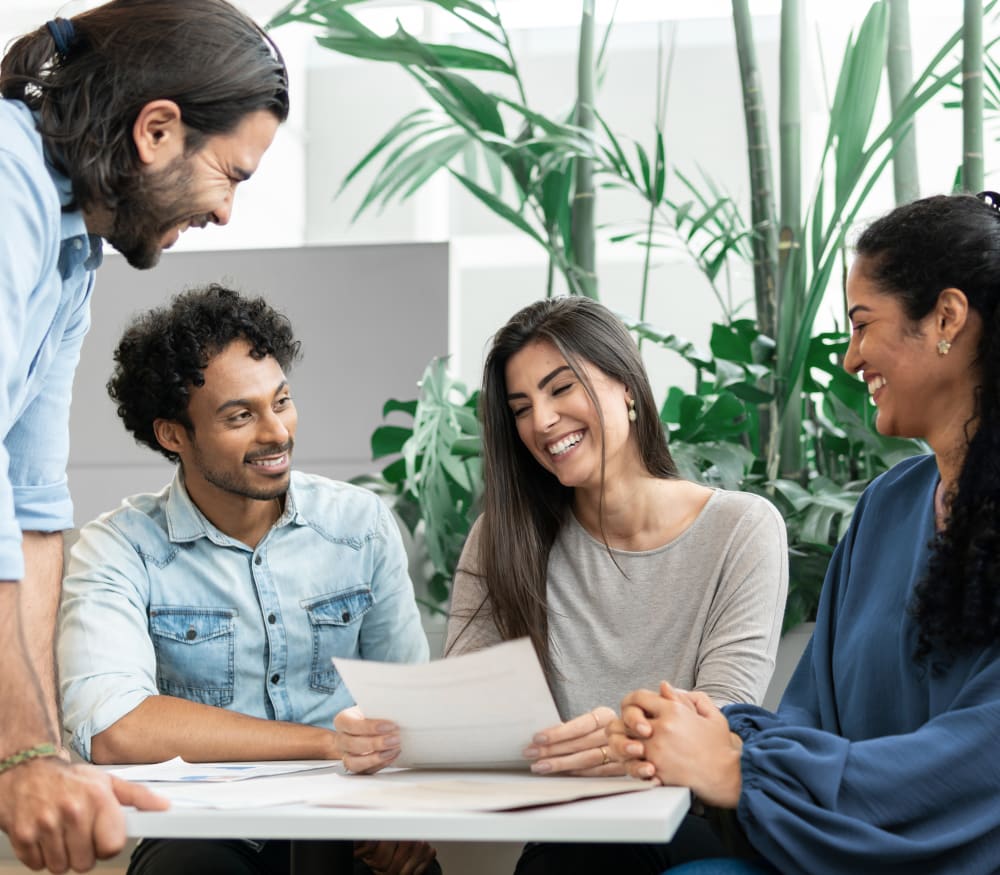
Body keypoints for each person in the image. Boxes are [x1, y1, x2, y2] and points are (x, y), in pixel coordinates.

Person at [611, 192, 1000, 875]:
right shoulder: (886, 506)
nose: (850, 359)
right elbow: (810, 713)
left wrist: (743, 768)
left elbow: (977, 759)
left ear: (946, 318)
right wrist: (703, 727)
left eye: (861, 324)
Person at [339, 296, 788, 873]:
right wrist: (385, 733)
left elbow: (723, 720)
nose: (542, 422)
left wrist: (624, 743)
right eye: (521, 407)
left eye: (560, 388)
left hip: (690, 826)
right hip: (566, 834)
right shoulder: (502, 539)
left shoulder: (741, 529)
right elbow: (465, 718)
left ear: (627, 386)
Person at [0, 1, 288, 870]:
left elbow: (36, 506)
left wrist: (42, 751)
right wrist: (19, 753)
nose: (230, 214)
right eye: (232, 175)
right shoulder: (6, 181)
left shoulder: (72, 247)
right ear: (157, 129)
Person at [57, 285, 439, 875]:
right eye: (241, 416)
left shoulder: (358, 526)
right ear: (172, 434)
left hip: (351, 821)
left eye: (281, 402)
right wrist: (323, 743)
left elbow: (413, 709)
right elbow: (113, 727)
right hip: (205, 832)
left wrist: (405, 815)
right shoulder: (120, 548)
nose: (276, 433)